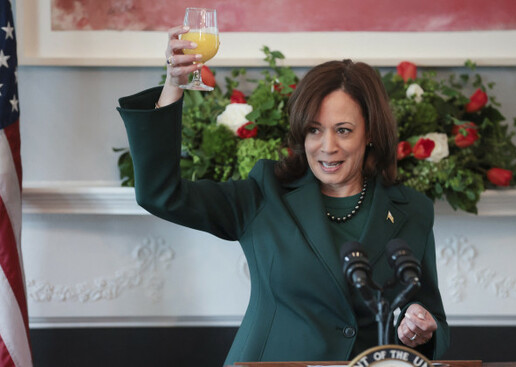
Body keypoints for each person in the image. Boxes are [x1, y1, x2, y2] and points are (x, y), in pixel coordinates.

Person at [117, 25, 450, 365]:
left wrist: (421, 325)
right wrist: (174, 85)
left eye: (344, 130)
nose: (327, 147)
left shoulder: (413, 209)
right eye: (314, 130)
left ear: (370, 134)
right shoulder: (264, 193)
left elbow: (430, 314)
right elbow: (161, 194)